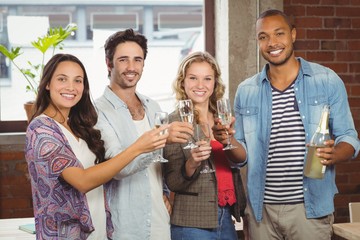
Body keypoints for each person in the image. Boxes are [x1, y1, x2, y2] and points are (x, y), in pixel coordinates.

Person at [212, 9, 360, 240]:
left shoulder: (327, 80)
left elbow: (349, 138)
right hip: (262, 212)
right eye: (263, 37)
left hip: (310, 212)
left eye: (279, 34)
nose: (272, 43)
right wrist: (228, 141)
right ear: (258, 42)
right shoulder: (246, 90)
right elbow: (242, 157)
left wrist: (334, 153)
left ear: (293, 34)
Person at [25, 53, 169, 240]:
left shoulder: (78, 125)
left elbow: (106, 169)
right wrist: (138, 147)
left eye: (78, 81)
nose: (71, 87)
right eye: (62, 79)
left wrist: (161, 193)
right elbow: (83, 181)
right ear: (47, 84)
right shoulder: (41, 130)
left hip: (98, 230)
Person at [94, 29, 193, 240]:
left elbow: (161, 162)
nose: (131, 67)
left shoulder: (152, 106)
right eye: (123, 60)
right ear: (109, 63)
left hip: (160, 221)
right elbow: (118, 168)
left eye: (137, 60)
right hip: (126, 227)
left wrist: (166, 194)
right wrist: (162, 138)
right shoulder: (97, 112)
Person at [163, 51, 247, 240]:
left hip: (227, 216)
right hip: (191, 222)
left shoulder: (223, 118)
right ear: (182, 82)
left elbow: (242, 160)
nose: (200, 85)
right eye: (193, 78)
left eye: (207, 79)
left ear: (215, 82)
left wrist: (229, 141)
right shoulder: (173, 122)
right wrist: (192, 162)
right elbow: (173, 182)